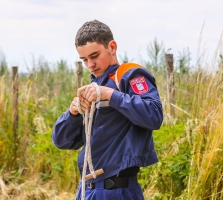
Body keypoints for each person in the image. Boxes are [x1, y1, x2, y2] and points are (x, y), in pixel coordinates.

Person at [52, 19, 163, 200]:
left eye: (94, 56)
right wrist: (72, 114)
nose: (90, 65)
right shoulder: (95, 87)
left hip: (117, 190)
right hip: (87, 189)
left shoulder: (130, 74)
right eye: (84, 59)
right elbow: (61, 141)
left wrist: (110, 95)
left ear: (112, 47)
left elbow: (154, 115)